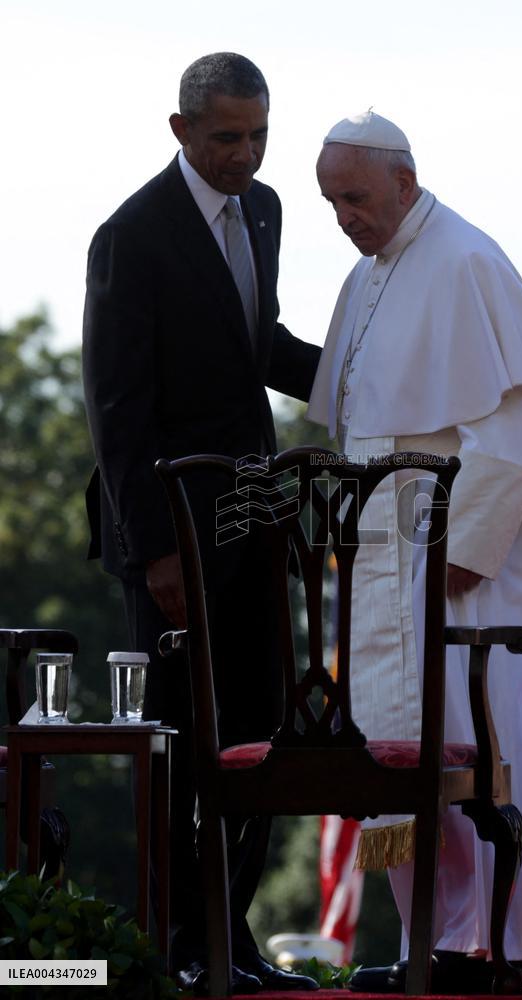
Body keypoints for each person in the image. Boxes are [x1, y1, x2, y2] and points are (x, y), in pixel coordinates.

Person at [307, 110, 522, 991]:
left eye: (355, 196)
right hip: (389, 542)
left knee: (475, 731)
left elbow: (512, 423)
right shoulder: (370, 274)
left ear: (405, 182)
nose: (344, 216)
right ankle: (429, 937)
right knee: (398, 736)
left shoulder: (465, 260)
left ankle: (483, 938)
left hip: (458, 543)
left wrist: (470, 544)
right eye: (331, 201)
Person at [82, 53, 321, 995]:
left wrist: (362, 371)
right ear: (180, 131)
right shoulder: (130, 238)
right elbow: (115, 410)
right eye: (227, 137)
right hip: (171, 532)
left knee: (263, 734)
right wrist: (155, 553)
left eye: (259, 135)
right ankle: (181, 945)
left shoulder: (262, 210)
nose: (246, 155)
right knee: (181, 742)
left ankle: (233, 936)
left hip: (256, 515)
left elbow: (256, 342)